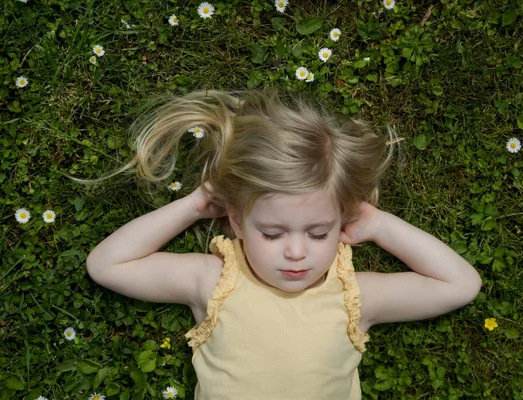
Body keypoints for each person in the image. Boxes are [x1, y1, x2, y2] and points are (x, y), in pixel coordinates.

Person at [73, 88, 482, 399]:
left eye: (319, 233)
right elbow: (108, 265)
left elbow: (460, 285)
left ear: (343, 221)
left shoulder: (354, 295)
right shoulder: (214, 280)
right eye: (272, 233)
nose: (296, 252)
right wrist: (195, 205)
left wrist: (377, 224)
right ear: (237, 220)